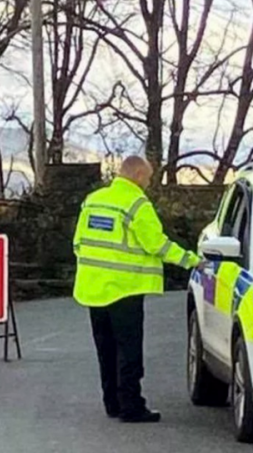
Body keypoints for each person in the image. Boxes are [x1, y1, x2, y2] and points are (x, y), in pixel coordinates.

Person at [72, 156, 206, 423]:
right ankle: (131, 406)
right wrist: (192, 260)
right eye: (147, 177)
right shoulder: (137, 204)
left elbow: (78, 243)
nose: (148, 182)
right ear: (137, 175)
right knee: (129, 351)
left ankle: (112, 402)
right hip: (125, 290)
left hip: (92, 288)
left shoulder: (93, 200)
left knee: (105, 349)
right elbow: (157, 244)